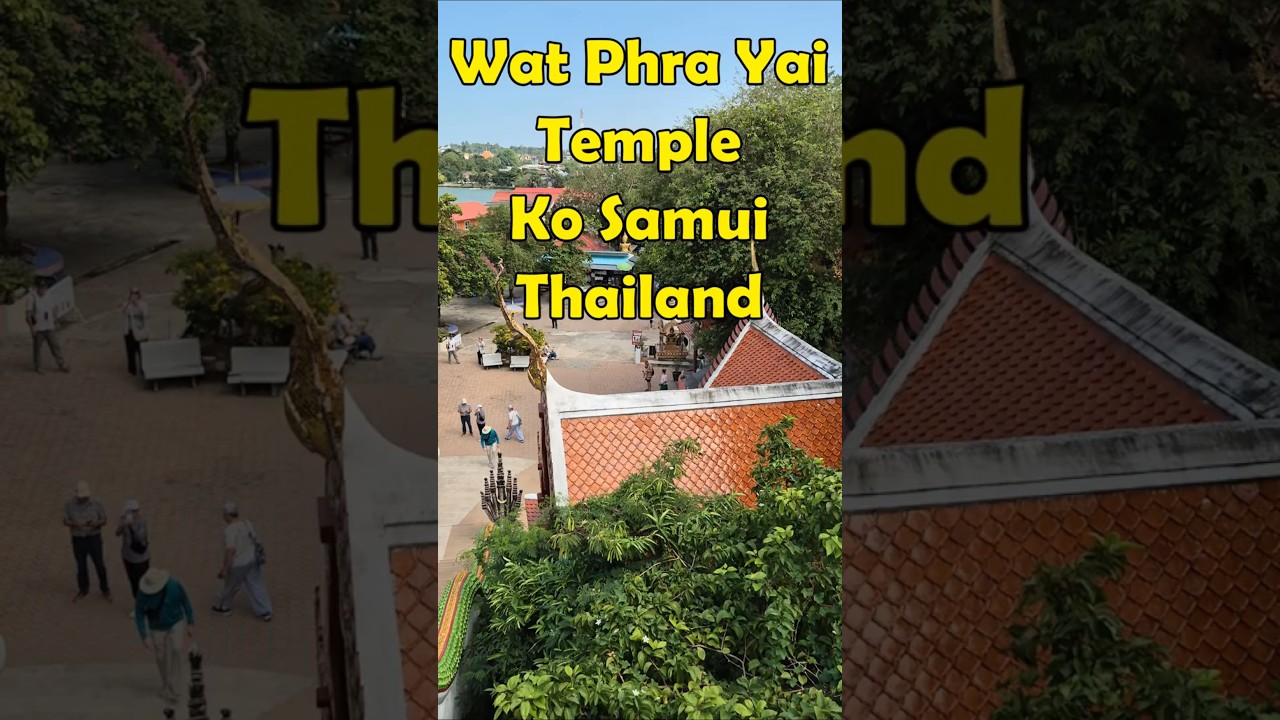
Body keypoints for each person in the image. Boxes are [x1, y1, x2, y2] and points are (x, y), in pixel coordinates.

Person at [135, 568, 194, 706]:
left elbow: (185, 602)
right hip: (156, 626)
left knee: (177, 649)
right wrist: (144, 636)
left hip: (175, 621)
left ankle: (175, 687)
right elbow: (139, 613)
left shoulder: (174, 586)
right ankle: (166, 683)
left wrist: (190, 622)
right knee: (160, 656)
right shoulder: (143, 594)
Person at [211, 502, 272, 622]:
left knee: (230, 586)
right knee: (256, 585)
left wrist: (224, 569)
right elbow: (254, 539)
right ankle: (265, 611)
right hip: (252, 560)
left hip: (238, 564)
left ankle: (224, 607)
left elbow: (230, 551)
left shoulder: (230, 530)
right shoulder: (247, 523)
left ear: (227, 515)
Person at [64, 481, 110, 602]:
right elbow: (65, 520)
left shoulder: (96, 503)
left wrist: (95, 523)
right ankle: (83, 589)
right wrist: (74, 524)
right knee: (81, 565)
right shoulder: (70, 504)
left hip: (93, 537)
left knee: (99, 564)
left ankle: (105, 588)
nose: (83, 499)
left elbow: (104, 519)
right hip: (78, 538)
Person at [115, 499, 150, 610]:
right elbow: (117, 533)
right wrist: (123, 525)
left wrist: (132, 526)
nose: (133, 513)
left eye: (135, 511)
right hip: (128, 557)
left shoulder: (142, 521)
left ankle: (147, 605)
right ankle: (139, 605)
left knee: (143, 583)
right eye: (130, 511)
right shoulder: (123, 519)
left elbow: (141, 538)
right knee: (133, 582)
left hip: (141, 559)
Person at [27, 282, 69, 374]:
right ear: (37, 288)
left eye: (44, 288)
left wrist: (56, 321)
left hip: (49, 326)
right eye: (41, 288)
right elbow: (29, 314)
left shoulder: (49, 295)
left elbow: (54, 308)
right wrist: (32, 328)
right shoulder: (32, 298)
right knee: (37, 348)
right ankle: (38, 366)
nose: (43, 290)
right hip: (38, 328)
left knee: (55, 345)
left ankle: (62, 364)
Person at [122, 288, 149, 376]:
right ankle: (132, 370)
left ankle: (143, 369)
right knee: (130, 351)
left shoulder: (143, 304)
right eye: (132, 294)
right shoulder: (127, 304)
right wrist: (129, 303)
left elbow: (145, 313)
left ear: (138, 295)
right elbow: (123, 311)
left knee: (142, 351)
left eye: (136, 294)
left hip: (140, 330)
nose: (134, 295)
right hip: (130, 330)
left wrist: (137, 304)